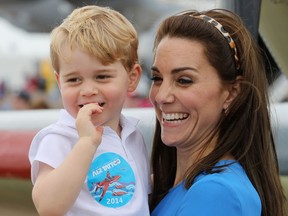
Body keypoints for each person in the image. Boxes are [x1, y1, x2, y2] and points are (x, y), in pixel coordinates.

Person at [149, 9, 287, 216]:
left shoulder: (215, 193)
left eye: (184, 80)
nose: (161, 96)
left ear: (231, 93)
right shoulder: (190, 186)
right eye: (157, 79)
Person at [29, 5, 150, 216]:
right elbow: (48, 206)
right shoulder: (60, 137)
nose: (88, 90)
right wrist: (86, 143)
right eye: (74, 79)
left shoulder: (132, 134)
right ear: (59, 82)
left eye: (102, 76)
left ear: (132, 79)